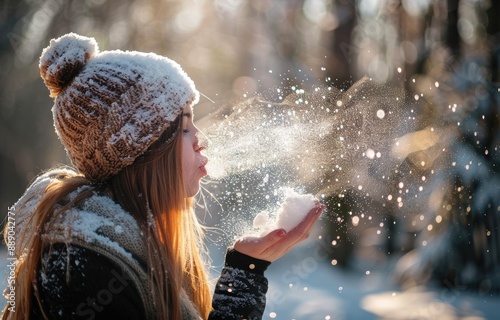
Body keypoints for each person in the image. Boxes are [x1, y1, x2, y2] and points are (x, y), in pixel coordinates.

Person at [2, 33, 324, 320]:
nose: (200, 138)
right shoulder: (83, 275)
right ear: (140, 151)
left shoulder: (135, 251)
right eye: (184, 127)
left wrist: (245, 271)